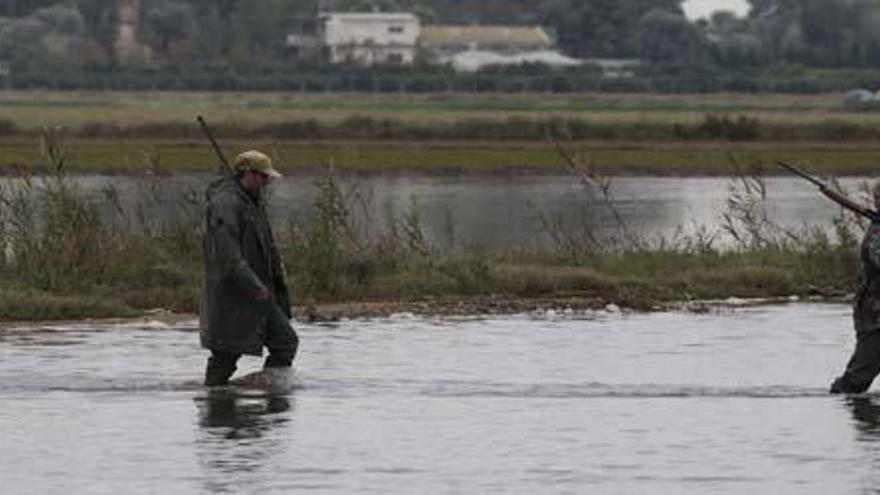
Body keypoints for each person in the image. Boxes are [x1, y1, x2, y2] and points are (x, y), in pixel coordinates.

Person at [199, 150, 298, 386]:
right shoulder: (226, 203)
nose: (267, 182)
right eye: (263, 177)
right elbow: (227, 253)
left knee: (285, 341)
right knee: (226, 353)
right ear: (247, 174)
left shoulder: (251, 199)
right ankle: (216, 399)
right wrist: (254, 285)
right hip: (234, 293)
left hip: (257, 291)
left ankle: (270, 396)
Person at [830, 181, 880, 394]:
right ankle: (844, 407)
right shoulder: (877, 232)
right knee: (858, 379)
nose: (878, 204)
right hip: (874, 314)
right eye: (877, 199)